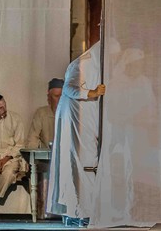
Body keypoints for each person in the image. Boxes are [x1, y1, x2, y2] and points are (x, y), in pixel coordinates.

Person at [47, 40, 118, 225]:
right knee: (83, 164)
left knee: (88, 164)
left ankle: (82, 211)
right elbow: (69, 88)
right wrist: (92, 92)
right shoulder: (82, 64)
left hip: (88, 120)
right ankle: (81, 212)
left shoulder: (101, 67)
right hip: (76, 121)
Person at [25, 78, 64, 149]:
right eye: (56, 96)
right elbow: (32, 140)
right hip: (46, 154)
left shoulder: (73, 115)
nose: (60, 100)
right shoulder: (41, 113)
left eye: (62, 97)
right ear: (49, 98)